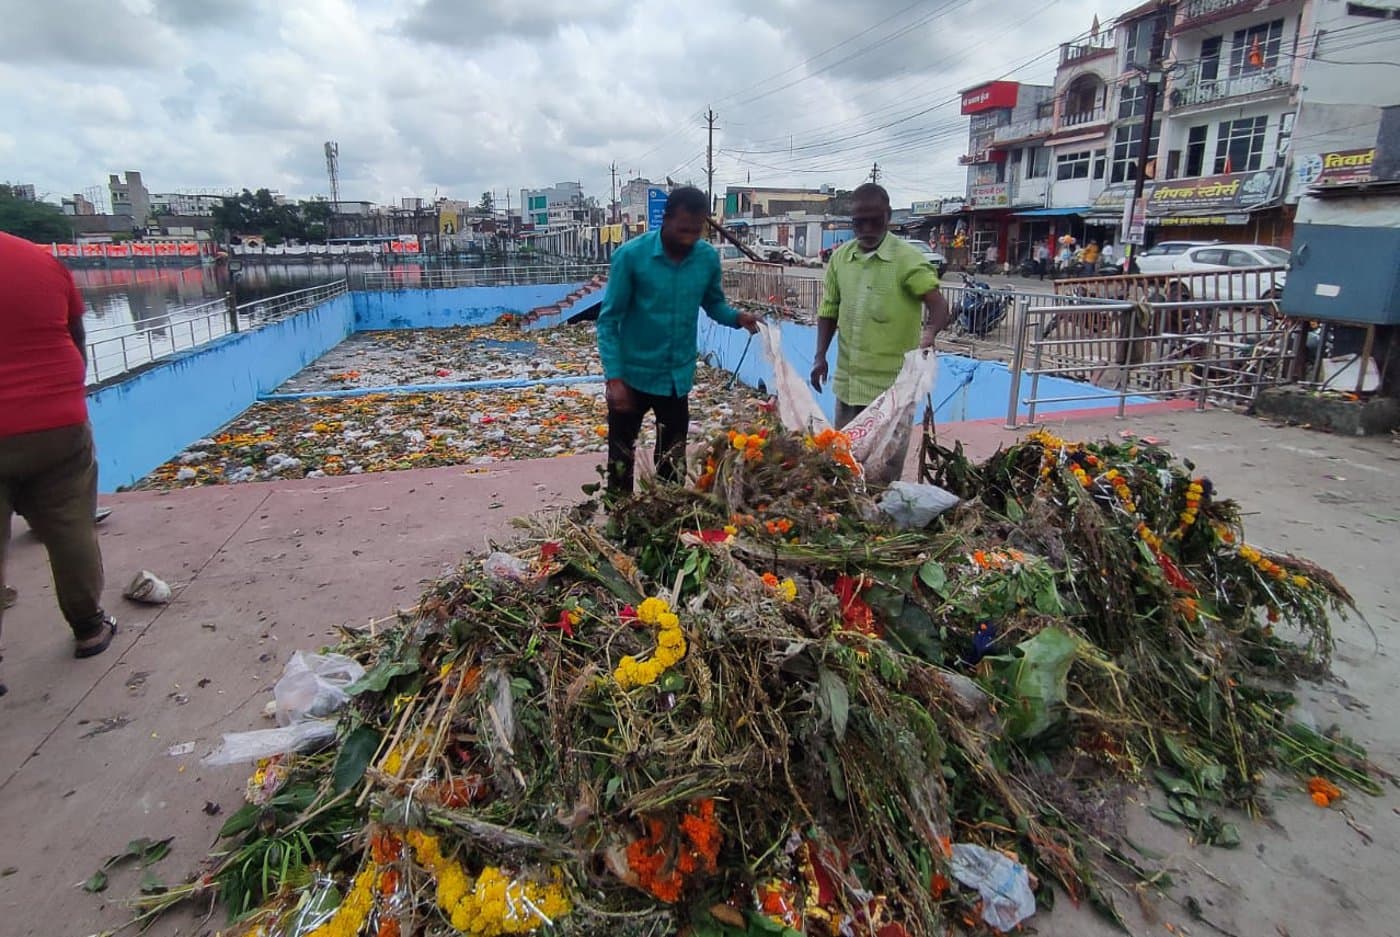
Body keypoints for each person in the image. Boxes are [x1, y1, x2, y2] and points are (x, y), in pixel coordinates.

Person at [0, 231, 118, 696]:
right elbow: (76, 335)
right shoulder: (38, 260)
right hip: (55, 421)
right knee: (71, 525)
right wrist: (68, 392)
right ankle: (89, 627)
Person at [597, 186, 761, 497]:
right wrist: (614, 377)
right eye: (683, 229)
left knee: (672, 464)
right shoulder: (630, 257)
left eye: (696, 231)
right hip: (632, 376)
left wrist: (738, 318)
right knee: (620, 460)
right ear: (666, 219)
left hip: (676, 379)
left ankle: (666, 528)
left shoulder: (706, 259)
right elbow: (608, 321)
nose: (689, 237)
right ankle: (619, 523)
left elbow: (714, 304)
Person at [810, 183, 952, 484]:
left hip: (892, 392)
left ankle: (879, 530)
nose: (868, 228)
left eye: (876, 220)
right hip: (848, 385)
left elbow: (940, 307)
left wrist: (929, 334)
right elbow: (829, 310)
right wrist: (820, 356)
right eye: (860, 221)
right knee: (844, 467)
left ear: (888, 217)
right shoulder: (840, 258)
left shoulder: (907, 259)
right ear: (852, 222)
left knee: (883, 475)